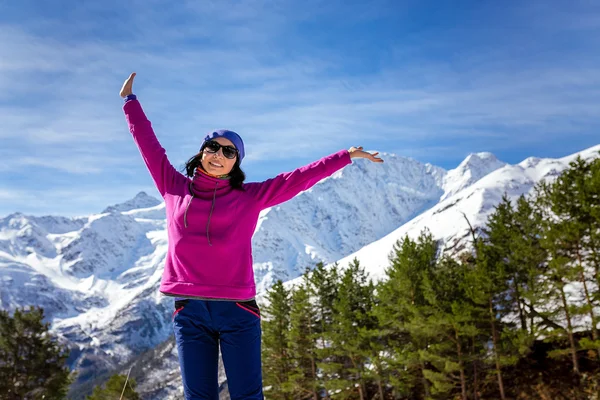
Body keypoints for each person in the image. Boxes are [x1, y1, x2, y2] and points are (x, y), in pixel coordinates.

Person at [119, 72, 383, 400]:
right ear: (202, 152)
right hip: (189, 309)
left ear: (236, 162)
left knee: (247, 396)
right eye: (213, 147)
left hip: (237, 309)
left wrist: (345, 156)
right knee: (198, 397)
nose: (219, 155)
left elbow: (298, 178)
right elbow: (149, 146)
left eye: (229, 152)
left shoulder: (250, 197)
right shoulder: (174, 187)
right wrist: (130, 102)